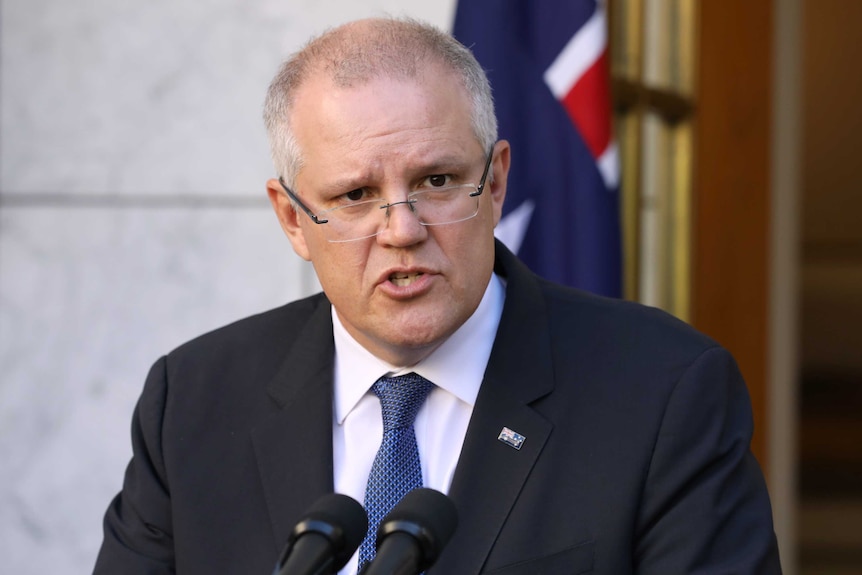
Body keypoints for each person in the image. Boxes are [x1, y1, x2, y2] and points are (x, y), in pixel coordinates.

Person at [94, 17, 782, 575]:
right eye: (356, 194)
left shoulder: (663, 392)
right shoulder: (192, 401)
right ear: (293, 218)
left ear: (497, 181)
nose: (402, 229)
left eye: (437, 181)